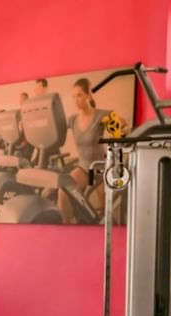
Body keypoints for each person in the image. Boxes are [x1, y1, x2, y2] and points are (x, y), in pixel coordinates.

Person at [58, 77, 127, 224]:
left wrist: (118, 128)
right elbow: (55, 129)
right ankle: (67, 226)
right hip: (84, 168)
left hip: (102, 168)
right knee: (64, 191)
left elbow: (122, 124)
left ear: (88, 95)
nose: (76, 100)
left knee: (106, 209)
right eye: (74, 96)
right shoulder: (72, 120)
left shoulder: (101, 116)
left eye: (80, 95)